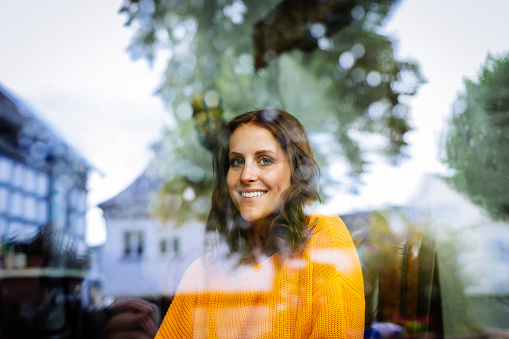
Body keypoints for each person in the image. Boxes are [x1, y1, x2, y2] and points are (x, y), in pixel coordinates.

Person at [156, 108, 365, 338]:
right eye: (236, 161)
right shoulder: (201, 273)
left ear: (295, 170)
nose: (246, 175)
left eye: (265, 160)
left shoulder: (324, 240)